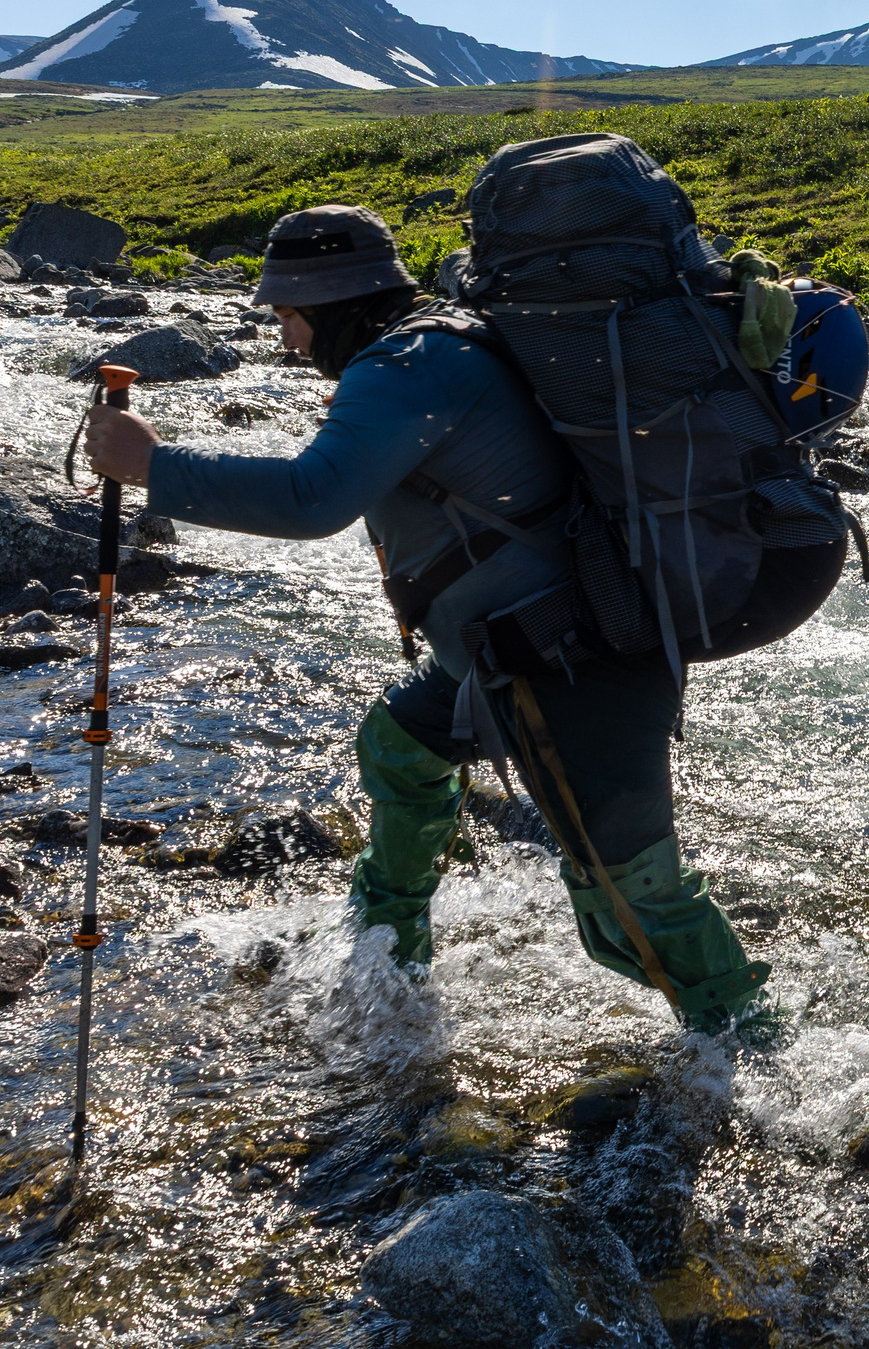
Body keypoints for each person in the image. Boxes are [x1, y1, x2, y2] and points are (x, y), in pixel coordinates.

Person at [81, 204, 771, 1029]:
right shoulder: (433, 341)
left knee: (632, 902)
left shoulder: (407, 364)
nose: (288, 341)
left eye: (291, 316)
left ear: (334, 300)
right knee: (402, 746)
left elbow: (314, 498)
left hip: (570, 660)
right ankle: (386, 960)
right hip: (518, 645)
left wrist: (154, 465)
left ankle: (754, 1052)